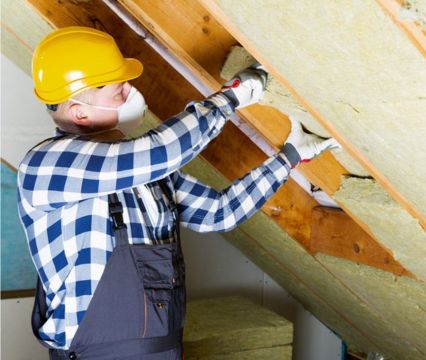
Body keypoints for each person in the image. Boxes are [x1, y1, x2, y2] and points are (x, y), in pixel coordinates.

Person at [17, 26, 338, 360]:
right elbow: (161, 152)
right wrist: (231, 98)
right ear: (80, 111)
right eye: (118, 90)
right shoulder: (47, 165)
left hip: (164, 348)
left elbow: (218, 212)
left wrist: (288, 158)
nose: (130, 92)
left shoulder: (142, 171)